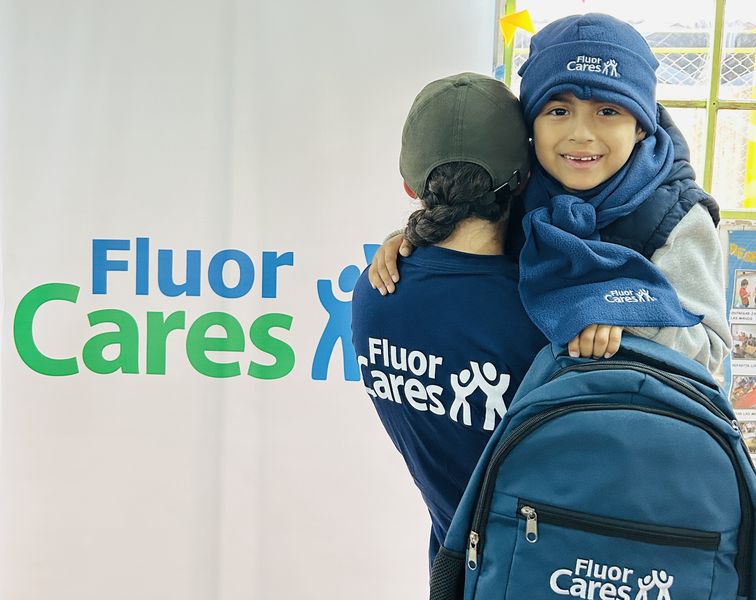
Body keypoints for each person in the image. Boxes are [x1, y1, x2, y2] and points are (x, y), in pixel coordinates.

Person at [370, 14, 731, 373]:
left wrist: (626, 318)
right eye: (558, 110)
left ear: (640, 126)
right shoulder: (519, 186)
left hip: (624, 419)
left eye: (608, 111)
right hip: (526, 412)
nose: (581, 133)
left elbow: (712, 349)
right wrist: (409, 243)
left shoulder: (677, 217)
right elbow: (470, 231)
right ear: (531, 125)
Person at [351, 73, 548, 567]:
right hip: (546, 570)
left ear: (410, 184)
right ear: (524, 180)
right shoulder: (546, 313)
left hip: (454, 565)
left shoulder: (374, 293)